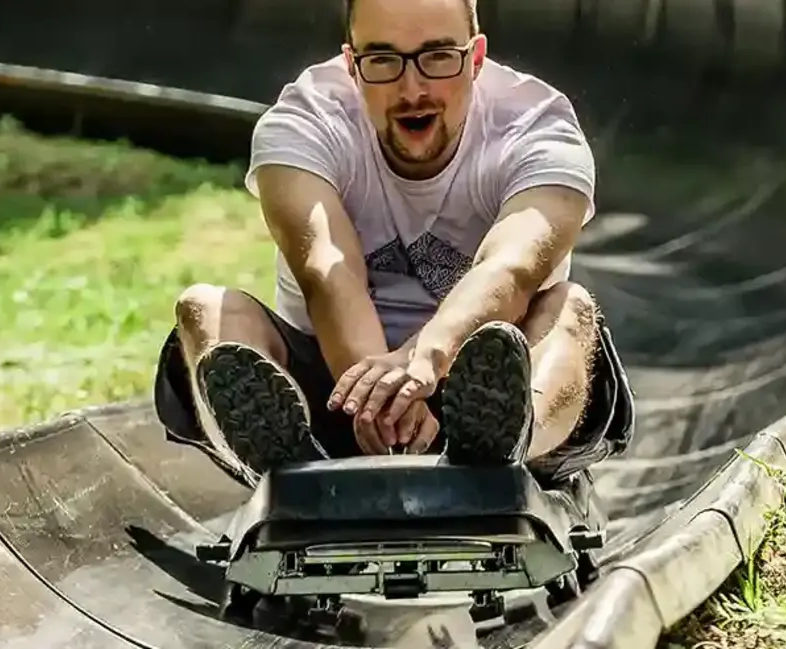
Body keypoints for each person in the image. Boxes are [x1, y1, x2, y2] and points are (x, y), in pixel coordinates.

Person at [152, 0, 632, 489]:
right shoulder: (303, 122)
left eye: (438, 56)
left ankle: (510, 442)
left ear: (477, 58)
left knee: (569, 308)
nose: (412, 89)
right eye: (383, 60)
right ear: (351, 66)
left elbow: (510, 269)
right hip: (337, 392)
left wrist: (426, 360)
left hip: (495, 379)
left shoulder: (538, 128)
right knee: (205, 310)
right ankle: (283, 467)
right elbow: (327, 271)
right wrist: (382, 399)